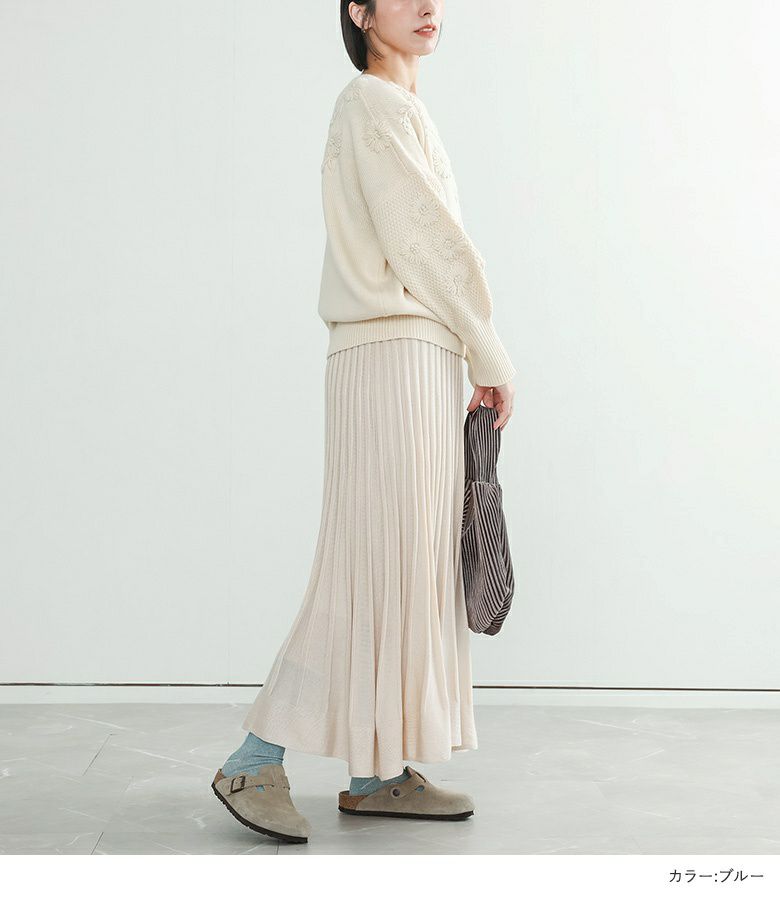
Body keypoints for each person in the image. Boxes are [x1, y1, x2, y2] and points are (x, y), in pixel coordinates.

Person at [211, 0, 516, 844]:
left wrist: (469, 346)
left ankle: (376, 771)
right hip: (391, 353)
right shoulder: (372, 101)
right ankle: (252, 759)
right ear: (358, 10)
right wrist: (490, 347)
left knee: (405, 569)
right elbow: (425, 241)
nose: (428, 6)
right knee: (365, 565)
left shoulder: (400, 108)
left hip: (415, 352)